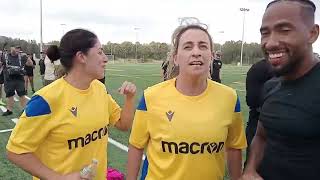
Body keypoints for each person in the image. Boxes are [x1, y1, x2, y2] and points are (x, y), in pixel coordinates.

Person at [6, 29, 137, 180]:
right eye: (100, 52)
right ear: (81, 57)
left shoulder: (99, 88)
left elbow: (123, 124)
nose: (105, 59)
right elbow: (15, 151)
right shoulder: (45, 100)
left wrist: (129, 99)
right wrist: (58, 178)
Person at [127, 24, 247, 180]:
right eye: (188, 47)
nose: (196, 52)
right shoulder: (151, 97)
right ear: (176, 58)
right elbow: (136, 146)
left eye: (202, 46)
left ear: (211, 56)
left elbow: (233, 147)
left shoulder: (229, 98)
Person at [242, 0, 320, 179]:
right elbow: (261, 135)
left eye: (284, 30)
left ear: (312, 33)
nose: (270, 43)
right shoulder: (271, 86)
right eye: (265, 33)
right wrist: (250, 169)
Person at [245, 58, 273, 164]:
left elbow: (251, 100)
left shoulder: (256, 67)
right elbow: (252, 100)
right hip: (261, 121)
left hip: (255, 120)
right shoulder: (261, 69)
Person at [1, 46, 28, 116]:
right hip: (9, 79)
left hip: (19, 79)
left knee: (22, 94)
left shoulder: (22, 57)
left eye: (16, 49)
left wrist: (26, 58)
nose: (15, 50)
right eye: (13, 48)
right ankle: (9, 110)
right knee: (10, 95)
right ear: (10, 49)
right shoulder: (5, 56)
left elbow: (30, 64)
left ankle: (24, 109)